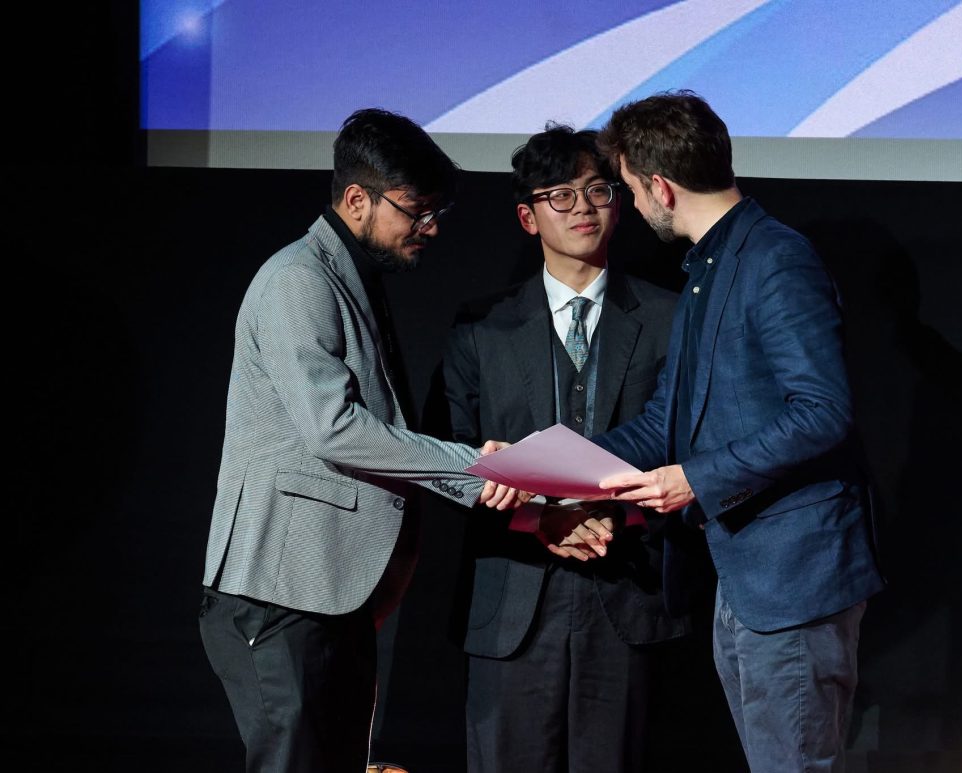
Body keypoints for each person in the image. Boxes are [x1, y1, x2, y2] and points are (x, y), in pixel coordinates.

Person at [198, 107, 523, 773]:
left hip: (331, 597)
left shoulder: (347, 278)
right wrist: (471, 466)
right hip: (281, 597)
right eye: (415, 209)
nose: (429, 226)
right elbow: (334, 427)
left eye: (436, 210)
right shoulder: (298, 279)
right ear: (356, 199)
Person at [580, 91, 885, 773]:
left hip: (794, 581)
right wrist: (559, 461)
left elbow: (823, 411)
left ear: (660, 185)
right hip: (744, 579)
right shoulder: (706, 269)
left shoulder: (776, 259)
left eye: (628, 188)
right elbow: (667, 421)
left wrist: (696, 477)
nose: (629, 206)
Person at [441, 124, 691, 773]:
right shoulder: (481, 327)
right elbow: (447, 456)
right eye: (560, 195)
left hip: (627, 593)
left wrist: (619, 515)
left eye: (597, 189)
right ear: (528, 216)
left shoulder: (670, 318)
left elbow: (690, 448)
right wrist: (539, 517)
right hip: (513, 601)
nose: (583, 206)